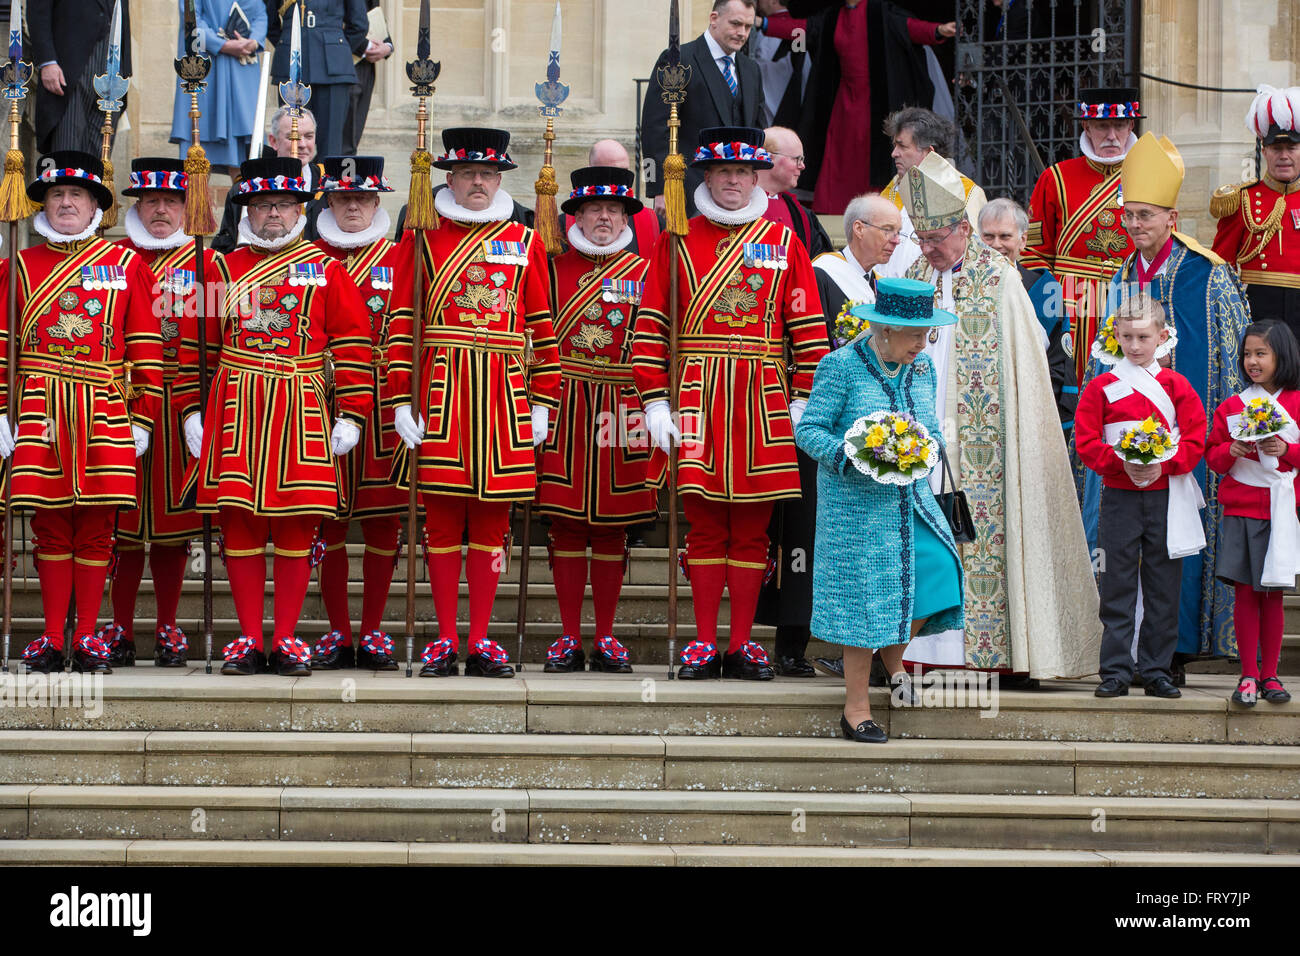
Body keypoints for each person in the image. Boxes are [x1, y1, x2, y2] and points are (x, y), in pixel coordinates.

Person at [631, 126, 828, 680]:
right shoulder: (675, 239)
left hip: (762, 396)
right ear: (707, 177)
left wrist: (803, 397)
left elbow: (808, 327)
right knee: (704, 528)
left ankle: (740, 643)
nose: (733, 182)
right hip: (697, 393)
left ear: (756, 176)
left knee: (752, 530)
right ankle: (701, 642)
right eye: (723, 173)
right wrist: (654, 401)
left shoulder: (785, 242)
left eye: (742, 173)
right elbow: (650, 328)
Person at [901, 150, 1100, 680]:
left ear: (962, 229)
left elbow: (1026, 368)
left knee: (981, 540)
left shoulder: (1001, 278)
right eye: (920, 239)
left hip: (984, 438)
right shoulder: (917, 271)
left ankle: (996, 652)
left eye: (936, 239)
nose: (927, 250)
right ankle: (922, 654)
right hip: (922, 433)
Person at [177, 155, 374, 677]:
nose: (273, 214)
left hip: (301, 402)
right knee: (239, 525)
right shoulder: (217, 268)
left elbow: (355, 347)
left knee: (295, 525)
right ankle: (245, 638)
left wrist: (352, 413)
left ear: (299, 210)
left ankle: (284, 637)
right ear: (246, 210)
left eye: (284, 205)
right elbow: (195, 351)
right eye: (262, 204)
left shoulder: (327, 269)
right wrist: (191, 410)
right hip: (235, 401)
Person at [387, 127, 561, 679]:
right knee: (440, 524)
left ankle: (482, 638)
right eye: (468, 174)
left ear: (500, 178)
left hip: (505, 395)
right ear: (450, 179)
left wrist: (543, 401)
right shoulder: (420, 236)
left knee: (492, 525)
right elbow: (400, 323)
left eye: (488, 174)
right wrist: (397, 398)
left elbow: (542, 325)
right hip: (440, 394)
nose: (479, 182)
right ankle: (442, 638)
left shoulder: (525, 240)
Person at [0, 151, 163, 674]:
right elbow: (3, 347)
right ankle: (52, 636)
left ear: (95, 203)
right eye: (55, 194)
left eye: (76, 195)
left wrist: (143, 418)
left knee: (96, 528)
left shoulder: (127, 265)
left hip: (104, 406)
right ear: (42, 204)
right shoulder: (20, 266)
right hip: (39, 407)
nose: (65, 203)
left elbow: (146, 347)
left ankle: (89, 637)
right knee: (50, 526)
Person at [1090, 131, 1250, 663]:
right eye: (1128, 215)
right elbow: (1102, 358)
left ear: (1171, 218)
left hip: (1187, 443)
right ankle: (1124, 650)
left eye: (1146, 215)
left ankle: (1175, 648)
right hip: (1121, 446)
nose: (1134, 225)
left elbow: (1231, 353)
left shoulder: (1208, 272)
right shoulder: (1121, 273)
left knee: (1174, 549)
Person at [795, 277, 963, 742]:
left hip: (912, 502)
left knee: (939, 574)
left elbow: (928, 428)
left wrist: (918, 448)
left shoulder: (922, 368)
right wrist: (853, 457)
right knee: (863, 601)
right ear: (884, 329)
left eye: (926, 333)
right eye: (914, 334)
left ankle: (893, 663)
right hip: (856, 508)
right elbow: (809, 431)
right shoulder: (841, 366)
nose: (921, 343)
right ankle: (856, 708)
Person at [757, 191, 899, 678]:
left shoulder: (877, 284)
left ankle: (853, 644)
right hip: (819, 422)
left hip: (866, 430)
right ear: (858, 229)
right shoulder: (821, 275)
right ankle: (792, 641)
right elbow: (801, 341)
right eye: (888, 231)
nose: (895, 241)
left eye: (898, 232)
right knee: (804, 536)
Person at [98, 157, 228, 668]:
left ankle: (171, 628)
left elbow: (218, 344)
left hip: (183, 409)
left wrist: (206, 410)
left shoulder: (207, 265)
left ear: (186, 206)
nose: (160, 211)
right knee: (122, 526)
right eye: (150, 201)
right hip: (119, 403)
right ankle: (120, 627)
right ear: (136, 205)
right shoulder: (110, 260)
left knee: (176, 530)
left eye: (171, 201)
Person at [536, 167, 657, 674]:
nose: (604, 218)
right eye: (593, 210)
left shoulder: (648, 272)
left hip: (624, 406)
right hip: (562, 404)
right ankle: (567, 637)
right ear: (576, 216)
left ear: (625, 216)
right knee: (565, 526)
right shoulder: (546, 266)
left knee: (613, 528)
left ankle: (605, 636)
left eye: (614, 210)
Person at [1074, 295, 1206, 700]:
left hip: (1167, 496)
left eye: (1143, 337)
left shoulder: (1176, 385)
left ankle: (1156, 669)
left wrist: (1163, 466)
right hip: (1119, 495)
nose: (1135, 345)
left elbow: (1196, 437)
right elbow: (1086, 441)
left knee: (1164, 586)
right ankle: (1114, 670)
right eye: (1127, 337)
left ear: (1161, 337)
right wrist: (1119, 464)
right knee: (1116, 583)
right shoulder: (1102, 386)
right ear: (1116, 336)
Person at [309, 155, 404, 671]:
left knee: (384, 522)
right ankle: (338, 631)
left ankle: (372, 630)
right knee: (330, 522)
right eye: (343, 198)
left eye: (362, 199)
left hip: (389, 406)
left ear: (376, 202)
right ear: (328, 201)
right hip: (324, 402)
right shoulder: (305, 257)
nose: (352, 207)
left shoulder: (401, 256)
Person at [775, 1, 955, 215]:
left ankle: (873, 213)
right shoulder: (832, 16)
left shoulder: (881, 12)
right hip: (843, 103)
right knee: (839, 159)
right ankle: (834, 211)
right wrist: (763, 24)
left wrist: (937, 31)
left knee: (872, 160)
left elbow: (909, 29)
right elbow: (800, 31)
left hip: (875, 102)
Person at [1206, 320, 1299, 707]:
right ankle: (1247, 673)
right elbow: (1213, 457)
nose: (1252, 362)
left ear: (1282, 356)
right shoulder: (1232, 406)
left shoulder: (1296, 402)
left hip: (1282, 511)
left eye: (1261, 353)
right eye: (1247, 354)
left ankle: (1271, 674)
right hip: (1242, 510)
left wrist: (1286, 451)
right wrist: (1232, 452)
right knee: (1245, 593)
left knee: (1272, 595)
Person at [1022, 87, 1139, 385]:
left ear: (1131, 126)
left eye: (1120, 125)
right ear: (1087, 126)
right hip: (1068, 301)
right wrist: (1051, 307)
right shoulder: (1056, 177)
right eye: (1102, 126)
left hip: (1129, 297)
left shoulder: (1147, 176)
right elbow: (1033, 254)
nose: (1111, 135)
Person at [640, 0, 763, 219]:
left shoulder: (751, 69)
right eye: (735, 24)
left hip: (739, 196)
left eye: (747, 27)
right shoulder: (678, 60)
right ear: (714, 19)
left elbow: (757, 129)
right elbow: (655, 128)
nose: (741, 33)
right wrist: (661, 188)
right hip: (688, 191)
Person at [979, 197, 1078, 433]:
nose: (996, 245)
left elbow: (1057, 363)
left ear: (1022, 240)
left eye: (1005, 236)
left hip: (1030, 414)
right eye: (988, 237)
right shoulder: (962, 288)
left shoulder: (1044, 290)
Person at [1212, 85, 1300, 343]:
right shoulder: (1242, 200)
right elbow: (1220, 268)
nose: (1283, 156)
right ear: (1264, 151)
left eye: (1292, 148)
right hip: (1257, 315)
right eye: (1275, 148)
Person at [878, 107, 987, 279]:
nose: (894, 154)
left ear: (929, 152)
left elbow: (977, 252)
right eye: (894, 146)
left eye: (902, 146)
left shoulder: (966, 192)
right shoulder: (891, 190)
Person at [169, 0, 269, 177]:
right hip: (206, 66)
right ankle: (196, 203)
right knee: (198, 147)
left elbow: (260, 12)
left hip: (242, 67)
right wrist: (222, 45)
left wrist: (254, 41)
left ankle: (243, 203)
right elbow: (191, 19)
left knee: (245, 155)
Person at [213, 106, 327, 255]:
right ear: (273, 141)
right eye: (292, 137)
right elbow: (226, 245)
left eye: (309, 136)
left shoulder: (328, 186)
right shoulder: (245, 188)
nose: (302, 144)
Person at [266, 0, 369, 159]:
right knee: (291, 138)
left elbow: (359, 24)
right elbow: (269, 21)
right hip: (292, 65)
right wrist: (290, 44)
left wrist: (335, 50)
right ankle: (292, 182)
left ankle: (325, 181)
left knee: (330, 145)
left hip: (332, 70)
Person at [29, 0, 133, 154]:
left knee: (99, 159)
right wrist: (47, 61)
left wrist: (125, 69)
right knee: (67, 154)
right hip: (70, 67)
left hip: (113, 65)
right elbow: (38, 10)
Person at [557, 140, 661, 257]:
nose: (618, 181)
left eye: (623, 173)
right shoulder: (561, 226)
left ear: (624, 220)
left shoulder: (654, 223)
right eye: (595, 209)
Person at [757, 126, 833, 258]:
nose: (802, 166)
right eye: (797, 159)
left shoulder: (800, 214)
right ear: (768, 157)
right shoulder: (736, 206)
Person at [341, 0, 394, 156]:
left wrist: (387, 46)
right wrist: (365, 46)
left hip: (364, 68)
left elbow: (373, 13)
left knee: (352, 140)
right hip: (342, 63)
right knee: (343, 144)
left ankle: (346, 178)